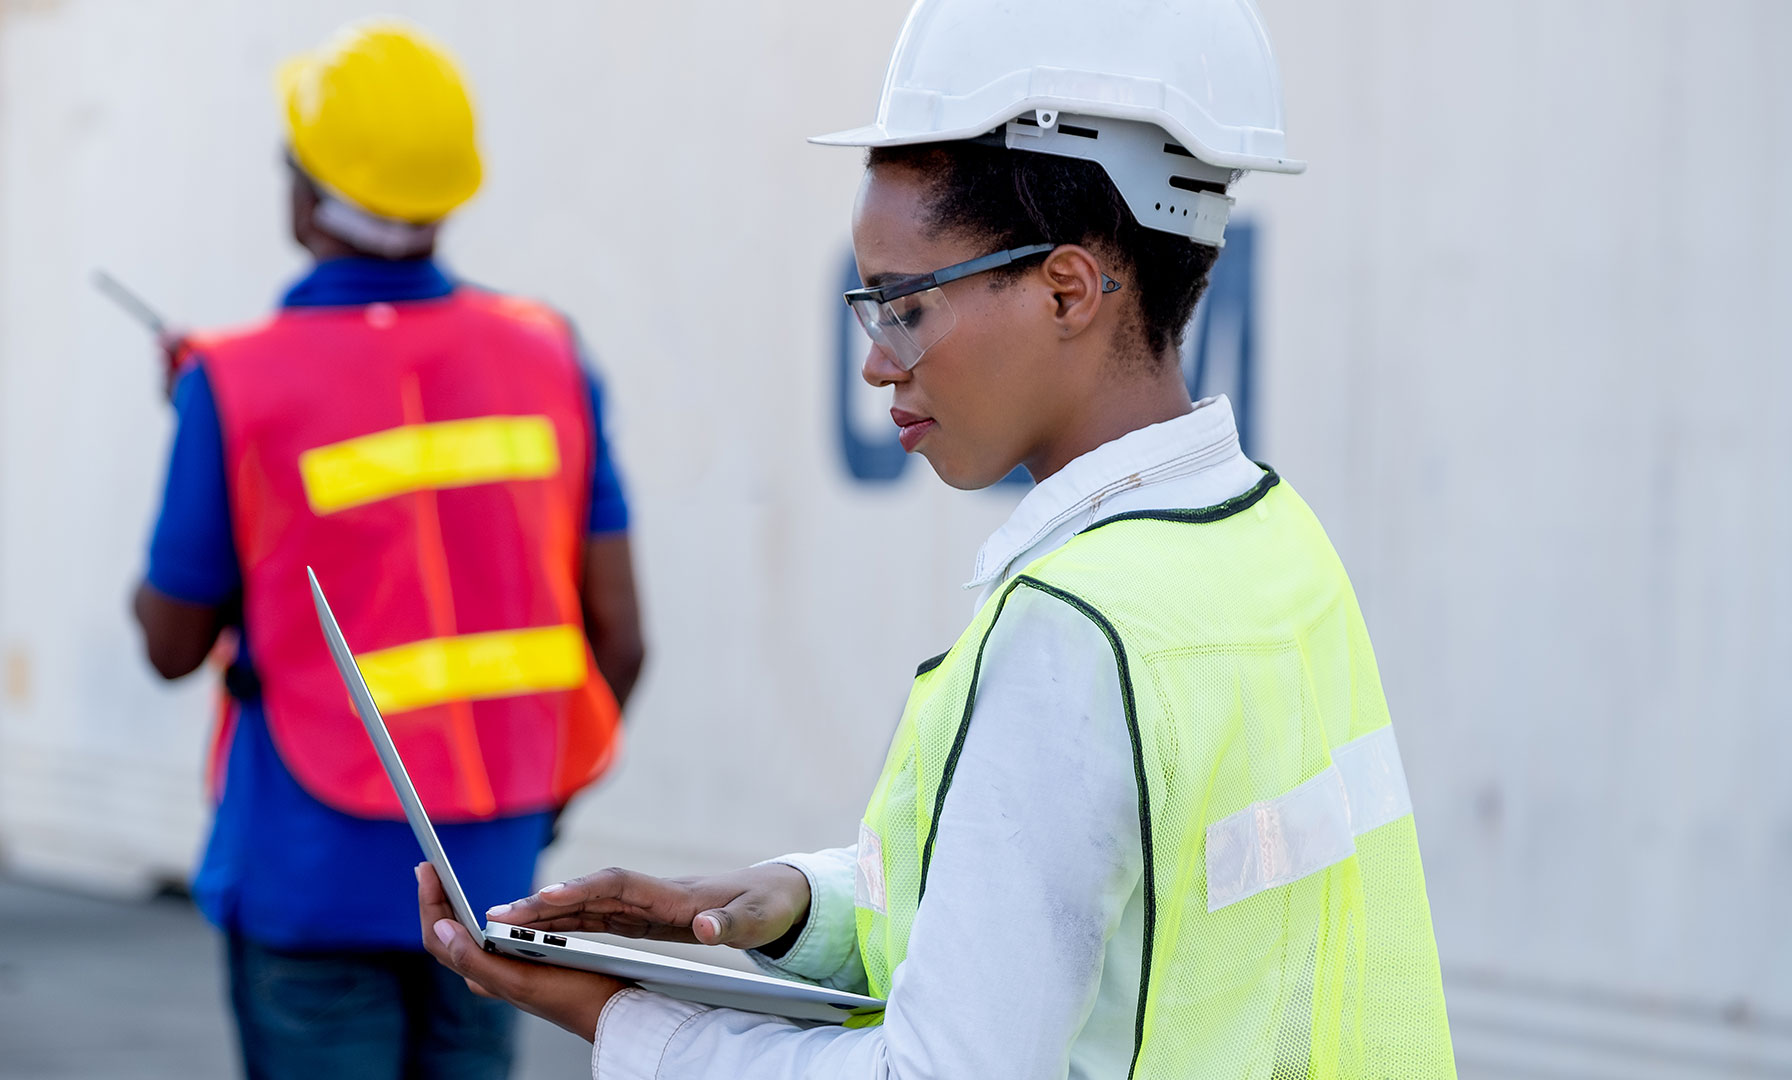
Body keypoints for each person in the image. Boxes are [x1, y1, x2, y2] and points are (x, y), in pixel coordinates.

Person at [417, 1, 1455, 1076]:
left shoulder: (1076, 636)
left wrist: (623, 1020)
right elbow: (1129, 911)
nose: (877, 361)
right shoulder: (1276, 550)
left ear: (1066, 289)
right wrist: (790, 904)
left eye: (905, 305)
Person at [131, 18, 644, 1080]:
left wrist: (201, 428)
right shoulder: (549, 355)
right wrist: (526, 815)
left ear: (308, 192)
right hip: (489, 873)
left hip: (307, 877)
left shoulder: (231, 383)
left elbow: (171, 641)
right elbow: (622, 642)